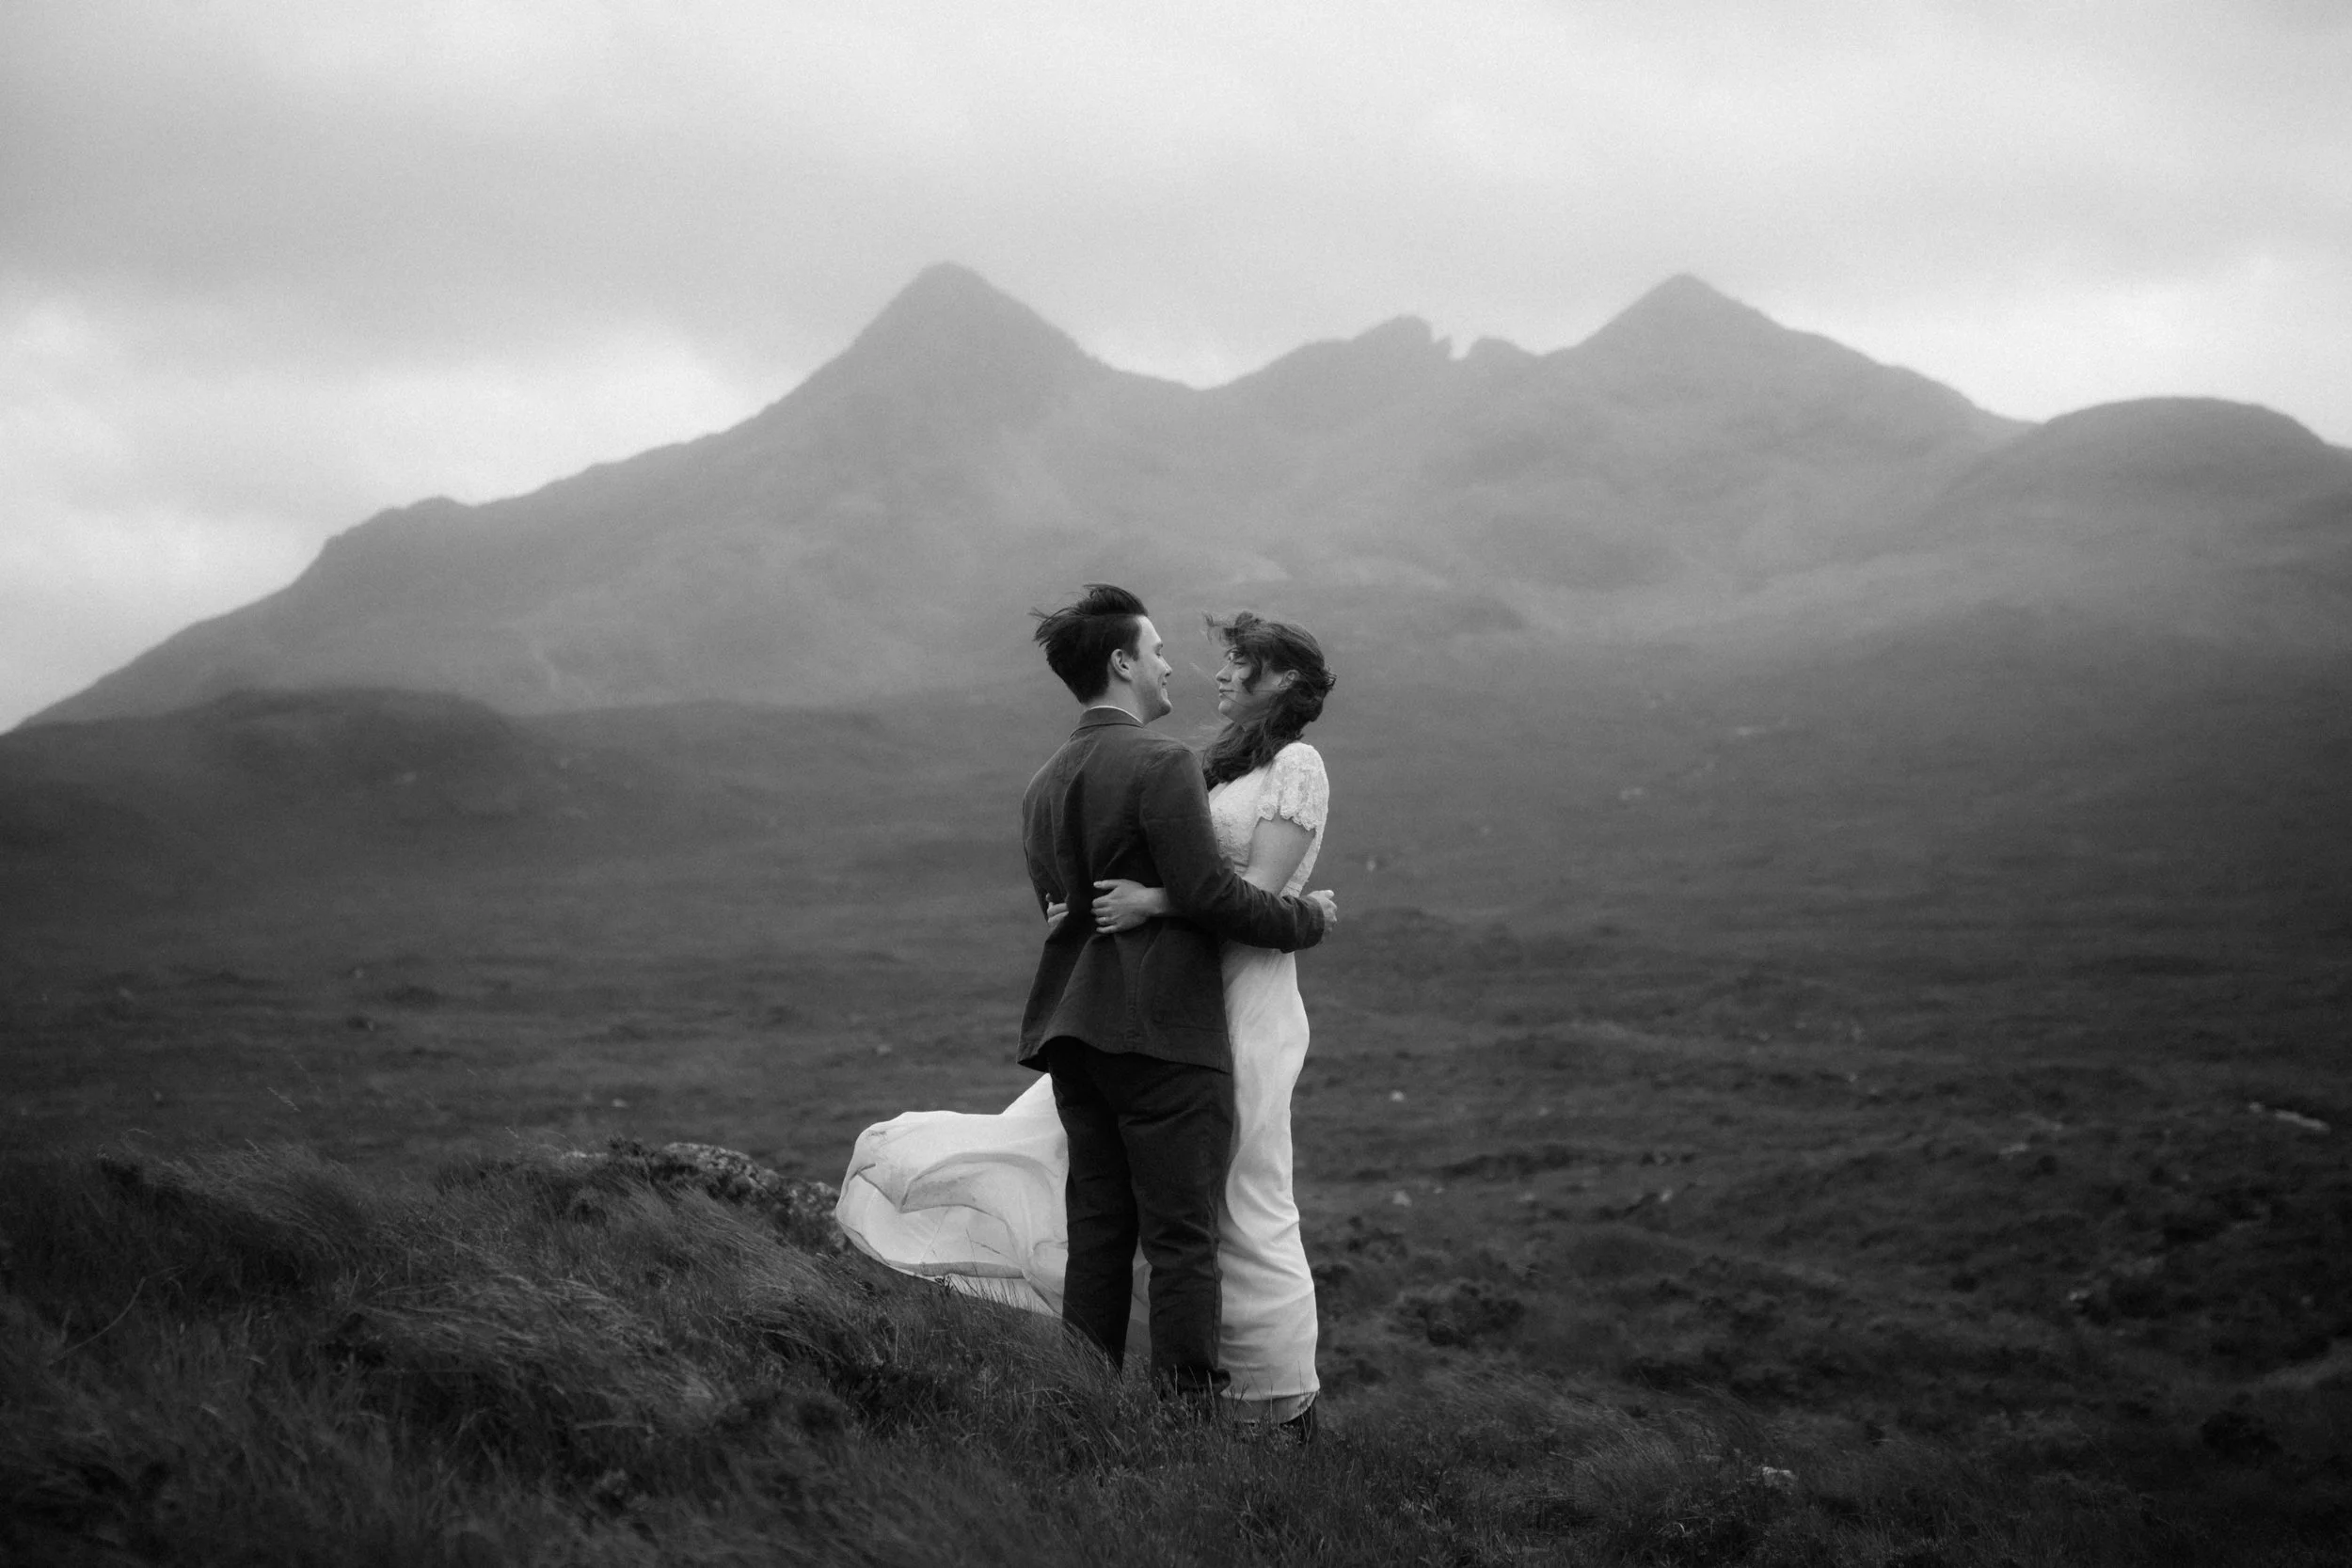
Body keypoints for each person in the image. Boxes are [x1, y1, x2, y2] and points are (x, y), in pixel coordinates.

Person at [835, 586, 1332, 1409]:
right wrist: (1307, 919)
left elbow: (1061, 907)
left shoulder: (1042, 781)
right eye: (1161, 648)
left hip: (1076, 1027)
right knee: (1184, 1236)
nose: (1178, 664)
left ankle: (1084, 1401)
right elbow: (1211, 892)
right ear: (1123, 660)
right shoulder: (1163, 760)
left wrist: (1132, 900)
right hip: (1170, 1026)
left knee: (1100, 1229)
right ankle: (1189, 1419)